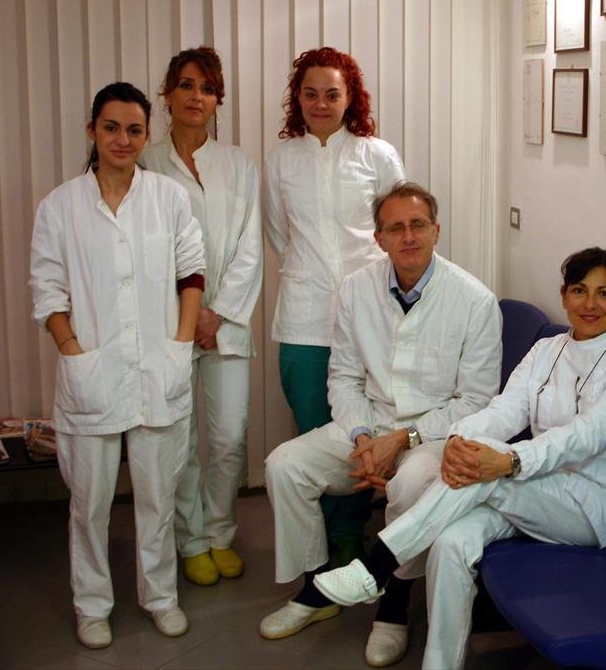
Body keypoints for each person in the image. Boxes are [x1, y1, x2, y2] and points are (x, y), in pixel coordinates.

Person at [312, 247, 606, 670]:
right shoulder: (547, 349)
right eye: (579, 290)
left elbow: (587, 436)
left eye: (604, 294)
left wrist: (508, 462)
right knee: (450, 543)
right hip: (535, 490)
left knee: (485, 473)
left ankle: (376, 566)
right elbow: (506, 409)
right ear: (564, 295)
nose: (590, 304)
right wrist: (460, 439)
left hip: (589, 506)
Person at [260, 181, 503, 669]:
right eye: (395, 228)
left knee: (412, 483)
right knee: (284, 465)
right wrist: (363, 438)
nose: (408, 236)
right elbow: (344, 377)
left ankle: (393, 607)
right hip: (367, 423)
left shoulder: (475, 300)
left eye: (418, 225)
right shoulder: (356, 289)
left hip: (434, 435)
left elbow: (476, 399)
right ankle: (316, 589)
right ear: (379, 238)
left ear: (436, 230)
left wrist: (404, 439)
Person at [29, 82, 205, 649]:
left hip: (159, 367)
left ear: (146, 134)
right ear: (92, 131)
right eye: (111, 127)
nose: (122, 139)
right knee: (90, 503)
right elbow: (47, 290)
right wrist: (72, 351)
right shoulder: (60, 206)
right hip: (94, 373)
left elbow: (191, 274)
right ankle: (92, 605)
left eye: (134, 129)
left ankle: (160, 597)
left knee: (157, 497)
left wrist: (180, 343)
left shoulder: (168, 198)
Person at [263, 46, 405, 563]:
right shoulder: (281, 160)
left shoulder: (377, 155)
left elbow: (398, 229)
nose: (320, 104)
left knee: (361, 426)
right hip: (304, 318)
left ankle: (348, 532)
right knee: (314, 431)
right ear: (297, 99)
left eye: (331, 94)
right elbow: (279, 234)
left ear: (350, 98)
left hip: (370, 315)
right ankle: (319, 535)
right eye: (310, 94)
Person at [141, 46, 262, 586]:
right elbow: (144, 251)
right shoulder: (146, 163)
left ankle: (220, 532)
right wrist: (187, 316)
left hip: (225, 325)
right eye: (187, 85)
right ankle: (190, 541)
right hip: (168, 324)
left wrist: (219, 312)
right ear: (167, 94)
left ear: (219, 100)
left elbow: (250, 247)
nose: (197, 96)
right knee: (181, 439)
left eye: (208, 88)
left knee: (230, 434)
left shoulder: (238, 164)